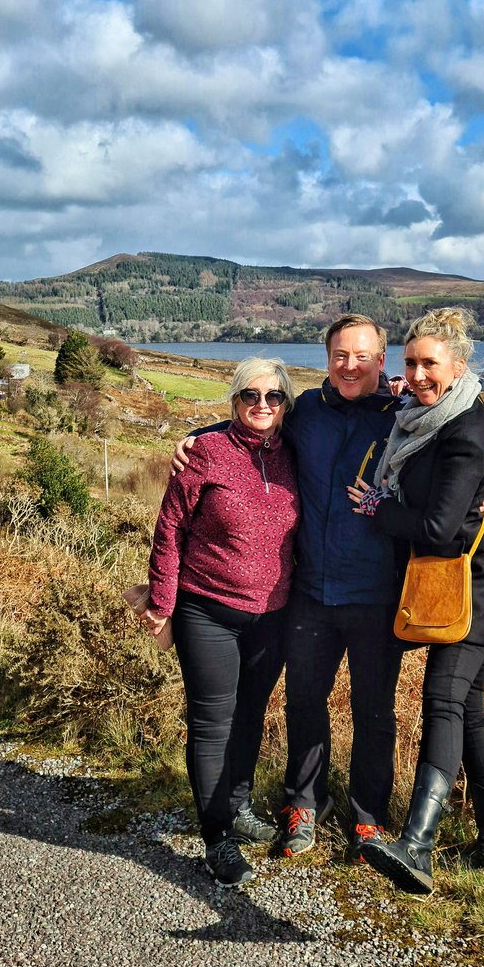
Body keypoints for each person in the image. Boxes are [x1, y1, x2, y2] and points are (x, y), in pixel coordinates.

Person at [172, 314, 484, 862]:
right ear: (327, 359)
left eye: (364, 356)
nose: (351, 365)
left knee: (374, 713)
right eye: (341, 355)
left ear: (381, 361)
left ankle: (368, 820)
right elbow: (251, 427)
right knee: (305, 703)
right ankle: (304, 807)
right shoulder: (307, 410)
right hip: (310, 590)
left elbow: (472, 449)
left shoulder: (404, 413)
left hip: (378, 594)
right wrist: (195, 438)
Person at [347, 307, 484, 895]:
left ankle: (417, 846)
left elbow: (441, 529)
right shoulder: (419, 417)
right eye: (410, 363)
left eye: (430, 364)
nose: (418, 375)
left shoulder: (465, 428)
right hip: (459, 579)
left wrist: (377, 510)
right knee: (467, 708)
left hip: (478, 581)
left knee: (443, 699)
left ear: (459, 364)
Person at [143, 358, 299, 887]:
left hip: (272, 617)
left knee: (251, 715)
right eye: (250, 395)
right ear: (233, 400)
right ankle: (217, 838)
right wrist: (162, 605)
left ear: (285, 404)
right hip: (207, 610)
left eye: (274, 397)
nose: (262, 405)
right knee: (212, 724)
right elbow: (170, 531)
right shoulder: (206, 452)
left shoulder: (293, 453)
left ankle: (236, 805)